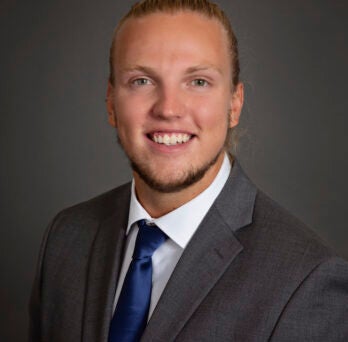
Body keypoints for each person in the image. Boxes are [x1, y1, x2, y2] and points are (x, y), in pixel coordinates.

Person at [29, 0, 348, 341]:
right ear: (111, 102)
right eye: (141, 81)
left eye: (197, 81)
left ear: (234, 104)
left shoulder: (307, 282)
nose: (168, 109)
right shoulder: (66, 237)